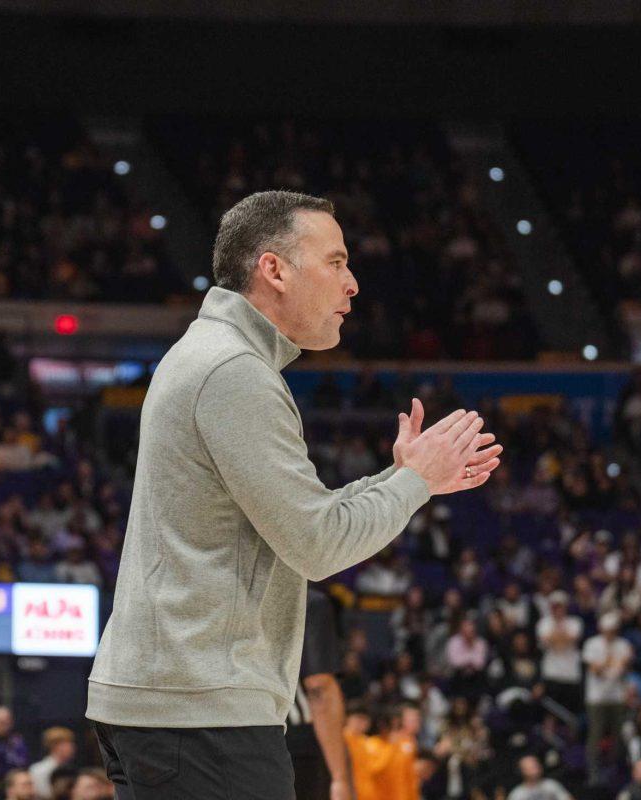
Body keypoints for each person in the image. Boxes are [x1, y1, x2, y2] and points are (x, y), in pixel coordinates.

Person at [86, 190, 502, 799]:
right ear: (273, 269)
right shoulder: (234, 372)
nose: (353, 284)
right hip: (201, 712)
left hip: (176, 705)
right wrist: (417, 483)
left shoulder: (212, 355)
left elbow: (300, 518)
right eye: (335, 262)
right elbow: (317, 545)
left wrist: (403, 476)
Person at [286, 588, 351, 800]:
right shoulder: (308, 601)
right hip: (296, 743)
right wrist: (340, 778)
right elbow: (319, 688)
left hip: (230, 734)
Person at [583, 611, 633, 786]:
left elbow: (626, 667)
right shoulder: (592, 644)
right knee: (595, 734)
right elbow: (594, 669)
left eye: (613, 630)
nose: (610, 633)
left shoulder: (624, 645)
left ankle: (613, 771)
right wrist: (612, 661)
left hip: (617, 696)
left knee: (618, 734)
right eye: (607, 630)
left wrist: (612, 664)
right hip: (597, 697)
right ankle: (594, 772)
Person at [536, 591, 583, 714]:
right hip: (551, 673)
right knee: (550, 712)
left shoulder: (575, 622)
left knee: (570, 712)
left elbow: (571, 639)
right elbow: (548, 640)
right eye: (554, 606)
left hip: (571, 674)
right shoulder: (544, 623)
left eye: (560, 606)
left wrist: (556, 639)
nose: (557, 609)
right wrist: (561, 638)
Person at [29, 727, 76, 800]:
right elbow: (43, 795)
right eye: (68, 744)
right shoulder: (39, 769)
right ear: (55, 746)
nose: (73, 747)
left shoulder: (69, 768)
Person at [506, 755, 572, 800]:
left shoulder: (551, 785)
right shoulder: (517, 794)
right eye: (530, 767)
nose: (535, 769)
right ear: (522, 771)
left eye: (535, 765)